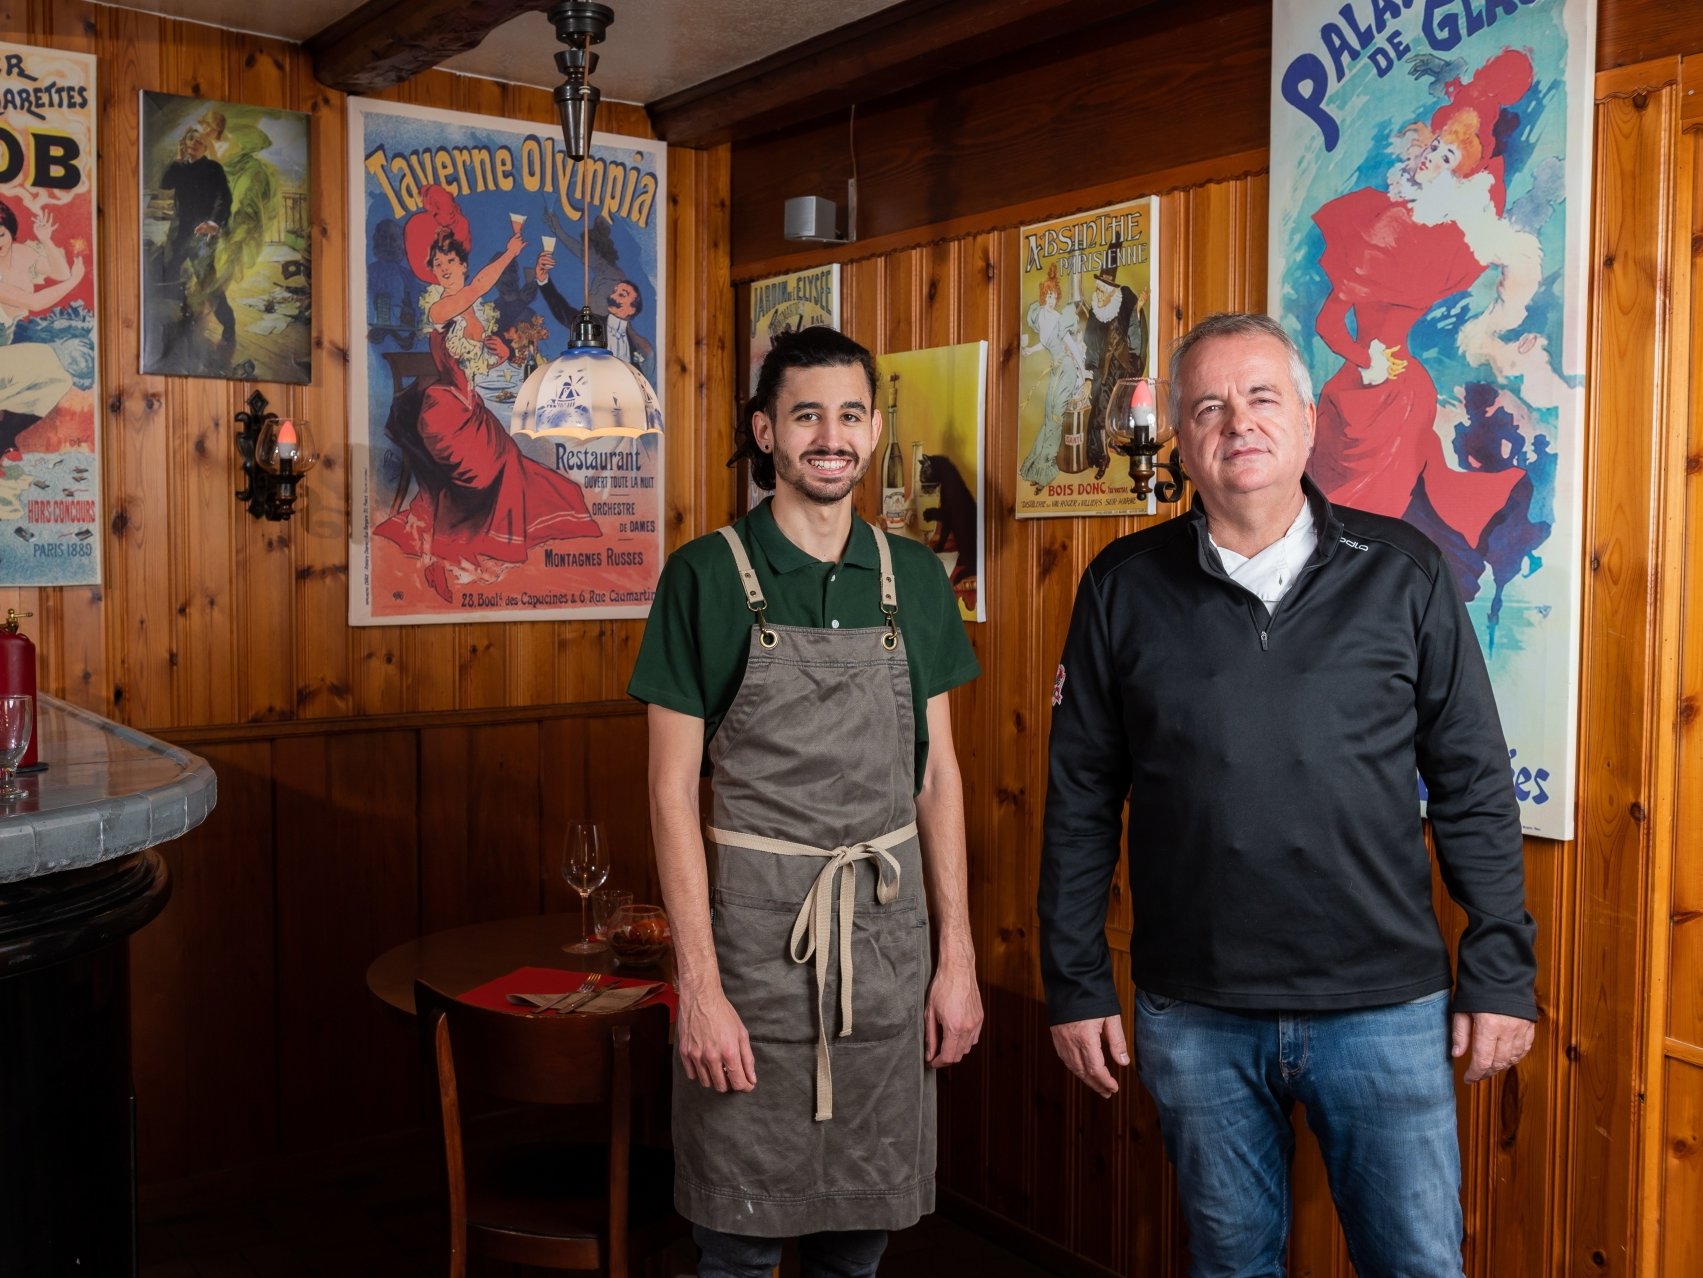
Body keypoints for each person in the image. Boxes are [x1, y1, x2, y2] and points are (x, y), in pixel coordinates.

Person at [1038, 311, 1537, 1278]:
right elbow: (1079, 799)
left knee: (1419, 1268)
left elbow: (1474, 781)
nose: (1239, 423)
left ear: (1309, 420)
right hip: (1195, 1012)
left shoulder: (1406, 573)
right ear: (1180, 440)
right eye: (1209, 407)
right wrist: (1073, 981)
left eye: (1263, 397)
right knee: (1230, 1268)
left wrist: (1502, 967)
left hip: (1385, 1009)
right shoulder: (1120, 587)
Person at [629, 325, 983, 1277]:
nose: (831, 435)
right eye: (806, 415)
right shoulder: (704, 576)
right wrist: (697, 990)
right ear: (765, 431)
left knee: (856, 1243)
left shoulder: (914, 577)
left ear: (872, 433)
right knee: (736, 1246)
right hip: (752, 954)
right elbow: (670, 794)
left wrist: (957, 960)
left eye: (851, 415)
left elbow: (938, 777)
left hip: (883, 944)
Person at [374, 185, 599, 603]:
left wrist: (501, 352)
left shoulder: (476, 311)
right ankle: (453, 559)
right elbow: (477, 289)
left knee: (514, 465)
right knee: (488, 475)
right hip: (443, 413)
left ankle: (451, 569)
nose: (443, 267)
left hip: (471, 409)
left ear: (462, 263)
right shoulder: (439, 306)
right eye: (436, 262)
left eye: (449, 260)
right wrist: (511, 253)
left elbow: (480, 362)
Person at [0, 199, 84, 457]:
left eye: (0, 234)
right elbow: (35, 302)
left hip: (5, 351)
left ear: (10, 231)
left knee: (56, 379)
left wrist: (45, 239)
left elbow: (58, 272)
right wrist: (75, 281)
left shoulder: (22, 252)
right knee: (44, 359)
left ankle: (4, 438)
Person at [1080, 239, 1150, 482]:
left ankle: (1117, 444)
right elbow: (1089, 344)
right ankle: (1100, 458)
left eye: (1102, 290)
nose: (1098, 293)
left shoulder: (1125, 299)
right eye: (1097, 289)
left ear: (1111, 292)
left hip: (1122, 367)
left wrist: (1139, 308)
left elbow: (1134, 326)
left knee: (1121, 410)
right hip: (1102, 371)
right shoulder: (1095, 314)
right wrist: (1089, 375)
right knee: (1099, 414)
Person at [1017, 262, 1087, 492]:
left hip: (1066, 369)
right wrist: (1029, 351)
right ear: (1042, 297)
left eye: (1053, 296)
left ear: (1056, 298)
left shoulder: (1059, 318)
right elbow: (1046, 343)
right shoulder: (1040, 318)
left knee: (1056, 419)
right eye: (1047, 296)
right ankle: (1036, 466)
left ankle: (1045, 470)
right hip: (1056, 370)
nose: (1050, 300)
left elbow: (1070, 346)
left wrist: (1081, 372)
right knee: (1048, 417)